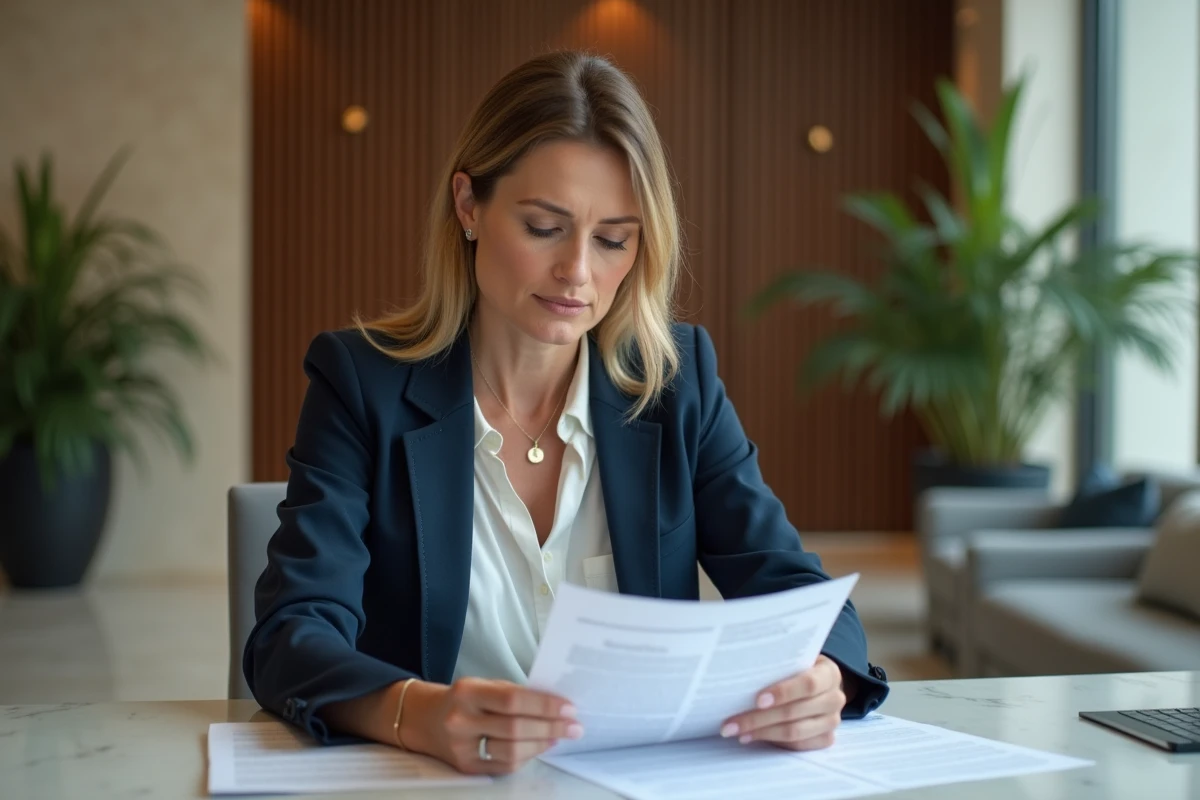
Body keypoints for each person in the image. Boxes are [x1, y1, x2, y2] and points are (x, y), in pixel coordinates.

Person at [243, 49, 888, 776]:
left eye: (614, 238)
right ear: (468, 206)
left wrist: (824, 679)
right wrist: (417, 712)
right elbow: (290, 636)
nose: (578, 271)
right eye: (546, 227)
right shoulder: (362, 384)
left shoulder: (676, 385)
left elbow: (801, 593)